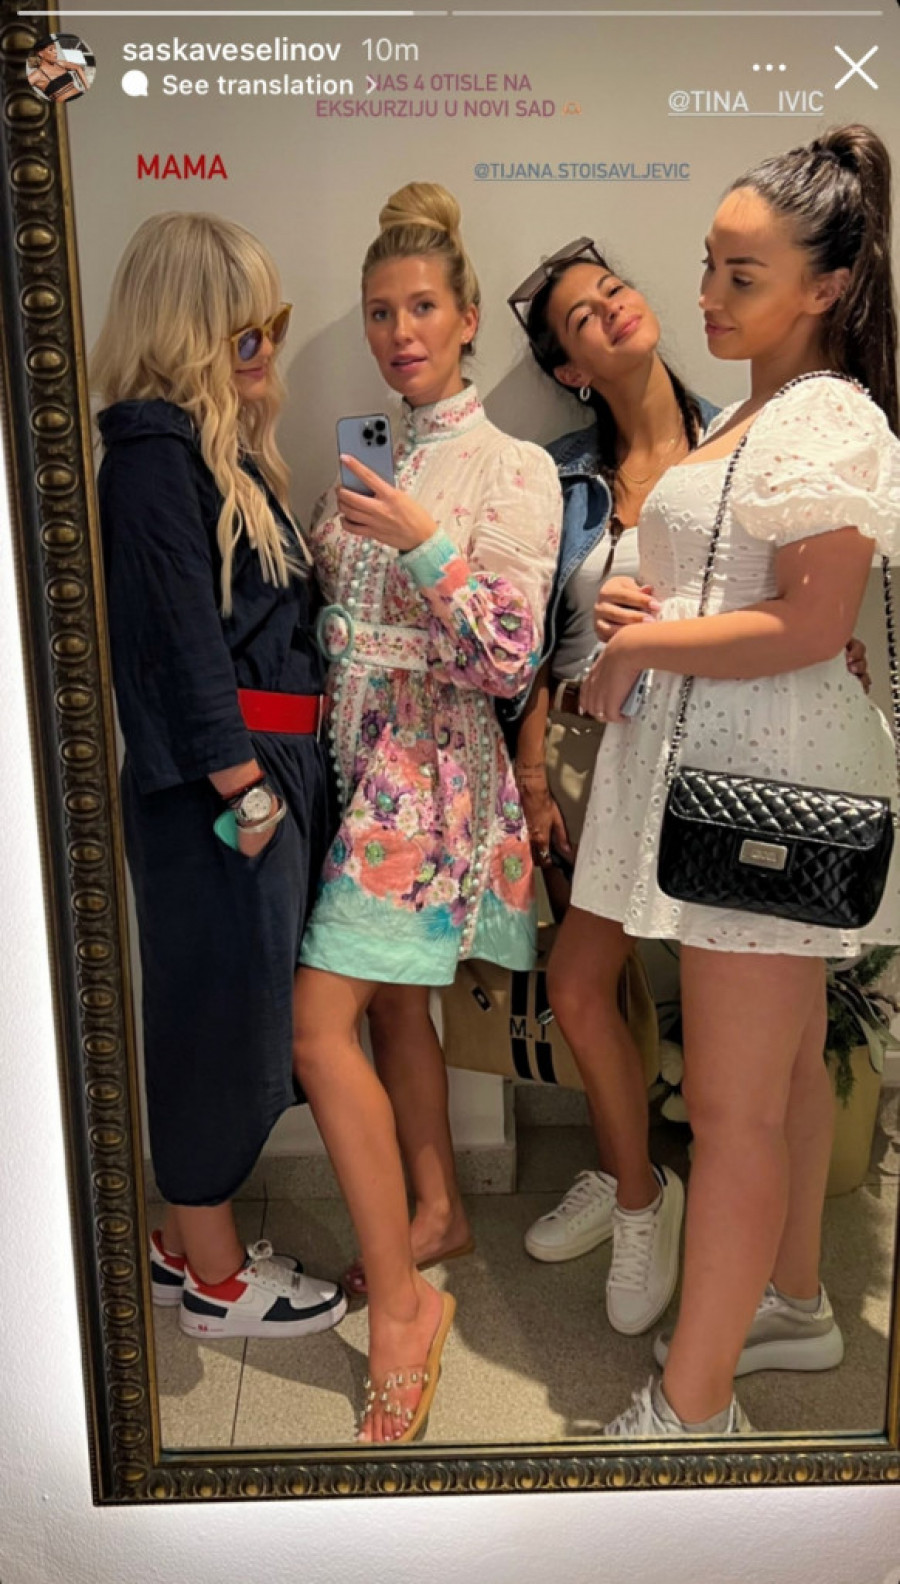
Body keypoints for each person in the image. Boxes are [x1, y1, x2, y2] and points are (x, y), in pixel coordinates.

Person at [566, 123, 900, 1436]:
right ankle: (795, 1306)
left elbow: (812, 625)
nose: (707, 293)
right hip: (733, 771)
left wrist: (642, 643)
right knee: (779, 1081)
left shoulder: (824, 414)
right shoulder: (758, 411)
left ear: (829, 286)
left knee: (735, 1111)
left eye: (742, 274)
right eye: (708, 263)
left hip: (764, 792)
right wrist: (642, 606)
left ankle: (690, 1410)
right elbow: (747, 591)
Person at [506, 240, 872, 1315]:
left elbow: (800, 601)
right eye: (581, 318)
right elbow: (538, 644)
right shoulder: (564, 477)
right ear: (569, 367)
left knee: (777, 1044)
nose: (611, 312)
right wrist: (535, 761)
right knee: (582, 983)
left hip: (723, 757)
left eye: (613, 289)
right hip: (599, 752)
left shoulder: (749, 431)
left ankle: (787, 1284)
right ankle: (640, 1196)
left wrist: (813, 643)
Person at [291, 182, 562, 1443]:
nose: (399, 332)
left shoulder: (513, 468)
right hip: (354, 777)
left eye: (420, 309)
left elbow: (510, 660)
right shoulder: (370, 455)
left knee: (319, 1025)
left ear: (465, 320)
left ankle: (407, 1308)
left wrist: (417, 538)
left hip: (433, 784)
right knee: (397, 1010)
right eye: (378, 311)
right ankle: (438, 1210)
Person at [92, 213, 346, 1342]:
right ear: (191, 328)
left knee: (232, 1009)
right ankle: (218, 1280)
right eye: (247, 330)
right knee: (216, 1022)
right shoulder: (154, 457)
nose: (267, 349)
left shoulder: (207, 453)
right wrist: (247, 790)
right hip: (223, 784)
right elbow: (180, 647)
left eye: (271, 326)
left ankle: (179, 1241)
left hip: (251, 772)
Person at [27, 37, 89, 102]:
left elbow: (77, 67)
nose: (55, 52)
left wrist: (87, 87)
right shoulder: (38, 74)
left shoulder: (59, 64)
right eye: (51, 49)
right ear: (41, 54)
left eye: (55, 49)